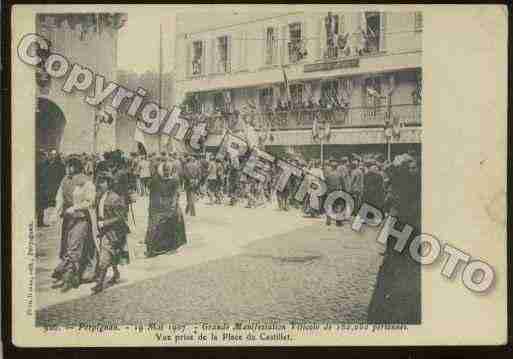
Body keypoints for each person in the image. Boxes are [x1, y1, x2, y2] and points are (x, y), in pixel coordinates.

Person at [51, 157, 97, 293]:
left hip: (81, 219)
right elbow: (59, 197)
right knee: (66, 247)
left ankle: (69, 279)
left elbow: (90, 201)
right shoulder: (65, 180)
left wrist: (76, 207)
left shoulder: (86, 181)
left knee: (74, 248)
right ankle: (73, 276)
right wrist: (56, 211)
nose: (68, 169)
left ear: (77, 167)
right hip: (68, 219)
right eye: (67, 166)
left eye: (71, 166)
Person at [91, 170, 130, 294]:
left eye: (103, 182)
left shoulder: (115, 198)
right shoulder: (99, 197)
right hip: (104, 230)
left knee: (105, 255)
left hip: (114, 231)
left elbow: (121, 217)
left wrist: (105, 223)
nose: (100, 184)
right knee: (111, 253)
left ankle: (100, 283)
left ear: (109, 183)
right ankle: (116, 273)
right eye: (99, 182)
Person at [144, 161, 187, 258]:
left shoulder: (174, 180)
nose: (166, 172)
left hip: (171, 206)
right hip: (161, 207)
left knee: (173, 226)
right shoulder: (157, 180)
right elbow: (150, 187)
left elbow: (176, 194)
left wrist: (173, 206)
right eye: (165, 170)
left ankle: (172, 248)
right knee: (159, 227)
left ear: (171, 170)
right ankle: (158, 247)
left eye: (168, 170)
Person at [36, 150, 50, 227]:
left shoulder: (40, 165)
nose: (44, 158)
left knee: (40, 206)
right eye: (43, 157)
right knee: (40, 206)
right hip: (39, 189)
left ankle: (40, 221)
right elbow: (41, 177)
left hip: (40, 188)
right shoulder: (39, 166)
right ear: (40, 157)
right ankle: (40, 222)